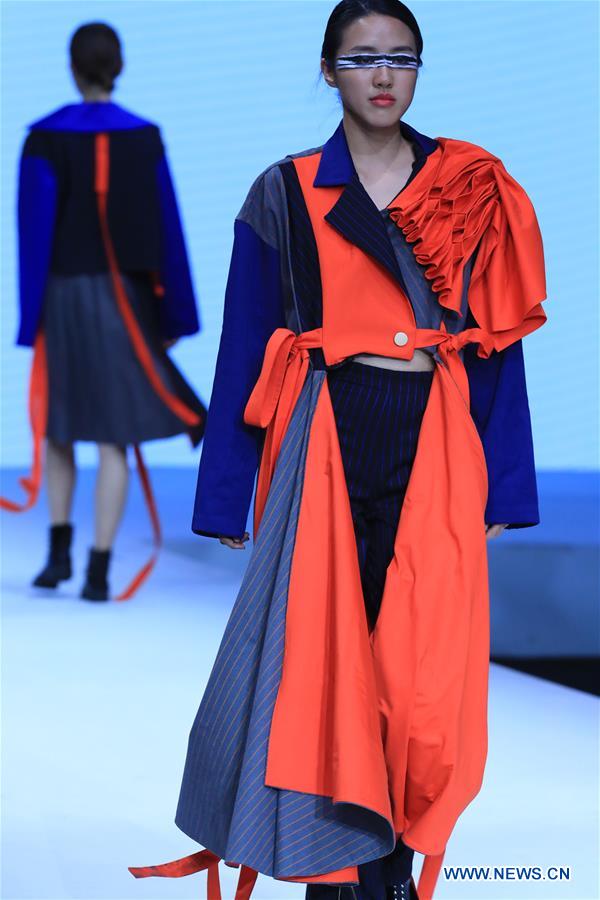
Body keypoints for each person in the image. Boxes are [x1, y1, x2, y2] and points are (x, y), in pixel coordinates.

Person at [129, 1, 547, 897]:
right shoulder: (282, 190)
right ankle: (340, 866)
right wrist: (225, 489)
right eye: (362, 58)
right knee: (326, 665)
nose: (384, 75)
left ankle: (389, 862)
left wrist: (507, 483)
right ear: (328, 71)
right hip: (323, 429)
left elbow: (495, 339)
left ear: (420, 68)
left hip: (434, 434)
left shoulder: (467, 185)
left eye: (402, 57)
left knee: (420, 669)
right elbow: (245, 340)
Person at [2, 22, 206, 601]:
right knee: (113, 437)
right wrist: (174, 316)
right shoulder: (145, 137)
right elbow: (168, 228)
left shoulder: (44, 138)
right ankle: (97, 569)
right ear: (118, 67)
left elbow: (33, 233)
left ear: (72, 67)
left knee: (60, 426)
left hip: (65, 296)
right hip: (127, 300)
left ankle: (57, 556)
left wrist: (31, 318)